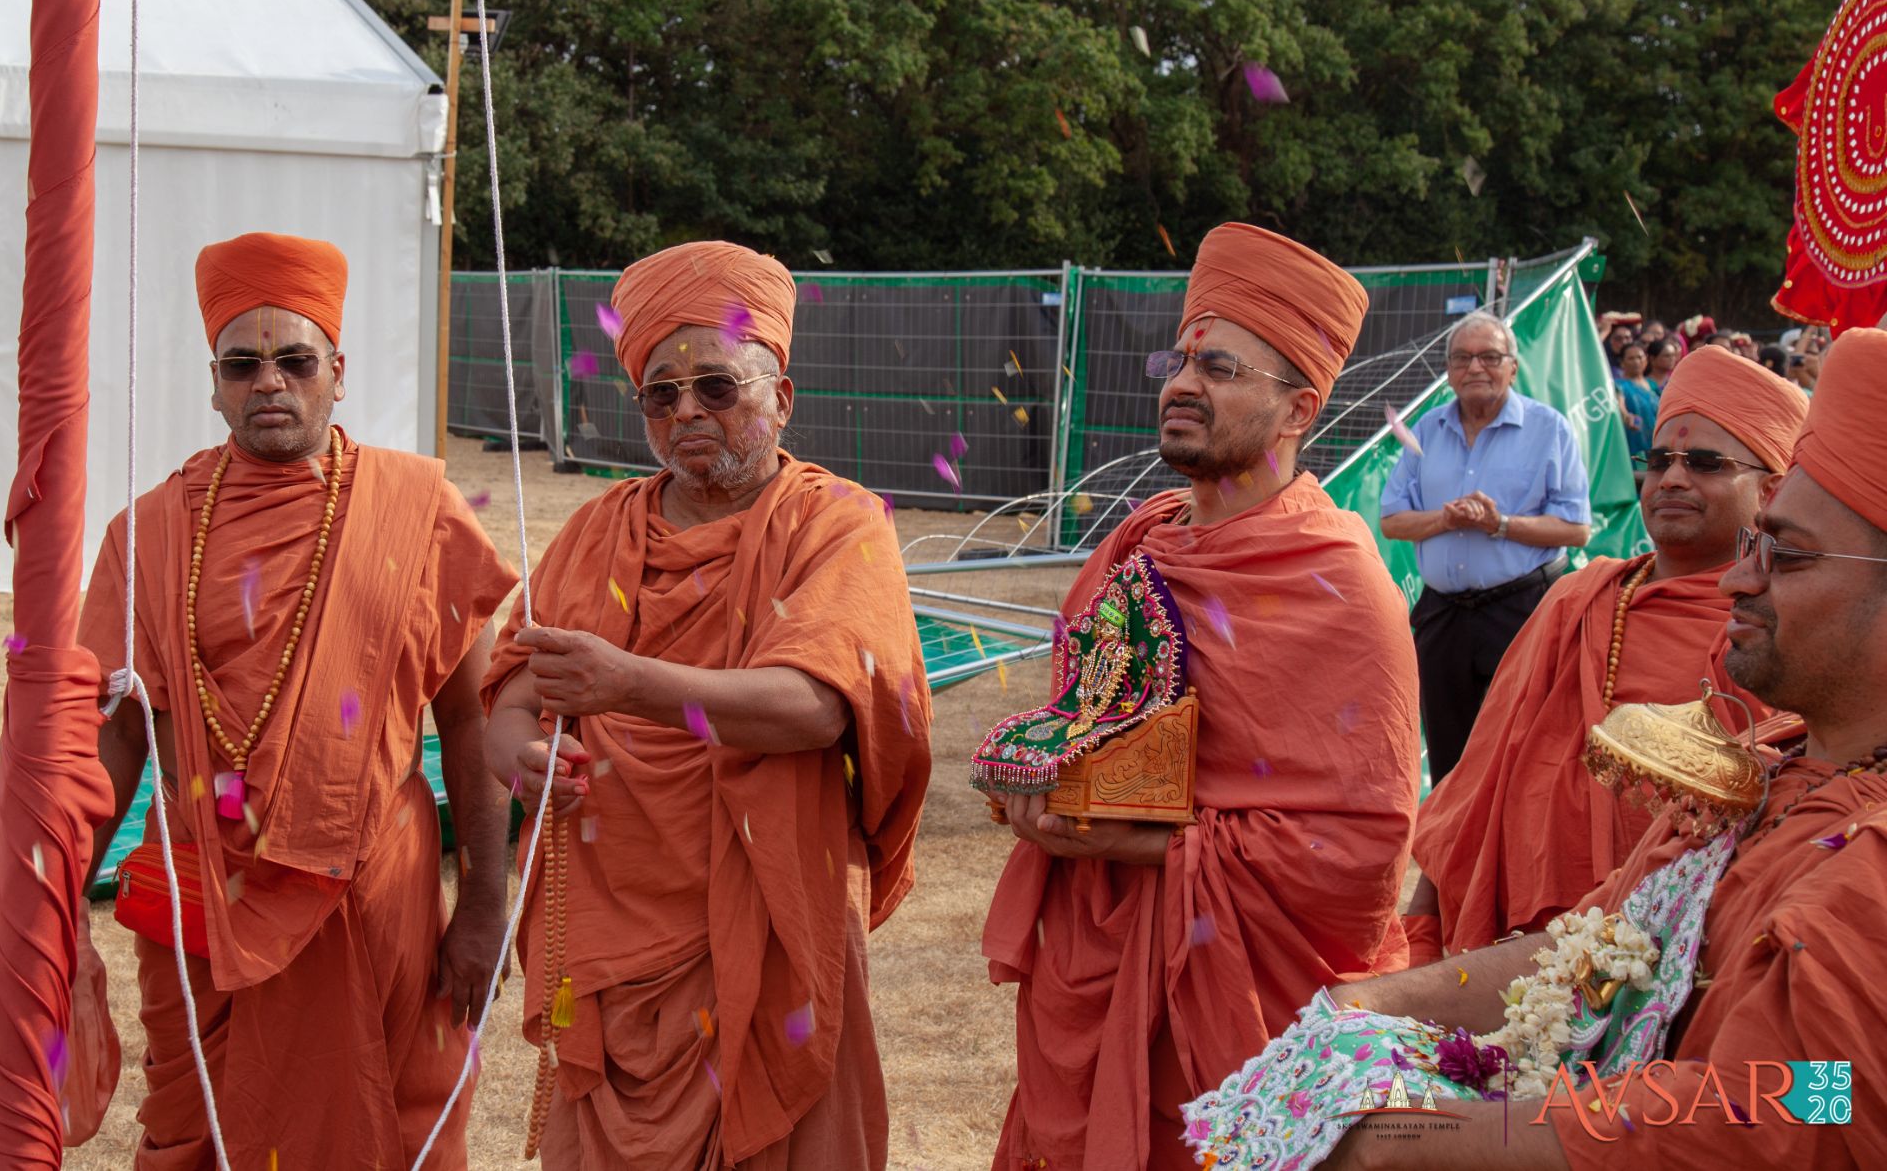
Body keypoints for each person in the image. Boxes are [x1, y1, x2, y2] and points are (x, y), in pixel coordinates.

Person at [1303, 326, 1887, 1170]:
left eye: (1783, 552)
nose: (1737, 577)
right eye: (1757, 545)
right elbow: (1597, 955)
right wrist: (1375, 1003)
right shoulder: (1766, 766)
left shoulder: (1867, 859)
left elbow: (1814, 1095)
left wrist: (1442, 1136)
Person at [480, 241, 933, 1170]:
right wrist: (523, 757)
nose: (687, 411)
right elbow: (511, 701)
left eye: (717, 388)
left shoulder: (836, 522)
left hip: (768, 910)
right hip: (614, 921)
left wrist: (627, 684)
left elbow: (814, 707)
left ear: (782, 397)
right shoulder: (600, 529)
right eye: (661, 394)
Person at [982, 223, 1422, 1171]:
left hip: (1226, 992)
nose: (1182, 383)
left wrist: (1134, 842)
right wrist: (1037, 781)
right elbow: (1087, 715)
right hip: (1094, 951)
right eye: (1180, 359)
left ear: (1298, 407)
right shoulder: (1143, 536)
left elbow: (1359, 847)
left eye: (1218, 367)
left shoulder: (1339, 582)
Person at [77, 233, 519, 1167]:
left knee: (397, 1129)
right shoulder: (147, 533)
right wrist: (55, 896)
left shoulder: (418, 509)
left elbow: (473, 717)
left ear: (338, 373)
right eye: (243, 364)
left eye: (294, 359)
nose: (268, 382)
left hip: (379, 900)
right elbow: (113, 735)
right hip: (202, 899)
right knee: (198, 1131)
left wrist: (484, 900)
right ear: (213, 384)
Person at [1400, 346, 1810, 963]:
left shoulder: (1783, 628)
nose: (1672, 478)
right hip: (1505, 959)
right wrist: (1422, 930)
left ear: (1772, 488)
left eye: (1704, 463)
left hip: (1681, 959)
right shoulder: (1579, 599)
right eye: (1660, 460)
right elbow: (1475, 785)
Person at [1379, 312, 1593, 784]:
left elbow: (1576, 529)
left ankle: (1513, 856)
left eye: (1490, 357)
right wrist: (1445, 518)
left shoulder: (1548, 429)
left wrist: (1500, 525)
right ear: (1450, 370)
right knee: (1449, 751)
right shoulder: (1427, 430)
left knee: (1522, 749)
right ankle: (1448, 857)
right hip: (1444, 616)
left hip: (1520, 611)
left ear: (1513, 367)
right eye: (1462, 358)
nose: (1475, 367)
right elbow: (1392, 520)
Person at [1612, 341, 1659, 463]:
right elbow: (1620, 404)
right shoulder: (1619, 385)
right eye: (1631, 358)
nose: (1636, 361)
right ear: (1622, 363)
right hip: (1634, 446)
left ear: (1646, 360)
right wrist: (1627, 416)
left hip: (1657, 444)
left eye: (1639, 357)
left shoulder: (1652, 385)